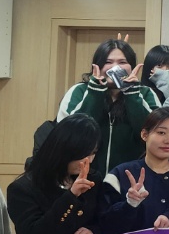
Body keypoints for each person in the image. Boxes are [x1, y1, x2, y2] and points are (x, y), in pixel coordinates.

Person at [56, 37, 160, 179]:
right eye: (108, 62)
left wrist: (132, 94)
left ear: (132, 66)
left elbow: (152, 135)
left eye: (122, 62)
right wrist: (95, 92)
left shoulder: (146, 94)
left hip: (130, 180)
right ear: (97, 65)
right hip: (83, 178)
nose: (114, 68)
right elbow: (69, 135)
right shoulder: (79, 91)